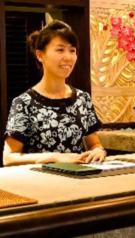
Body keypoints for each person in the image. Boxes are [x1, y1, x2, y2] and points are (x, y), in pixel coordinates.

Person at [3, 20, 106, 166]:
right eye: (60, 50)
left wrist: (99, 151)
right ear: (40, 55)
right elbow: (9, 158)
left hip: (80, 181)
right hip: (41, 184)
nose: (68, 57)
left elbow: (94, 144)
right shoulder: (23, 103)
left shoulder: (82, 99)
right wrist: (54, 157)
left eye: (72, 50)